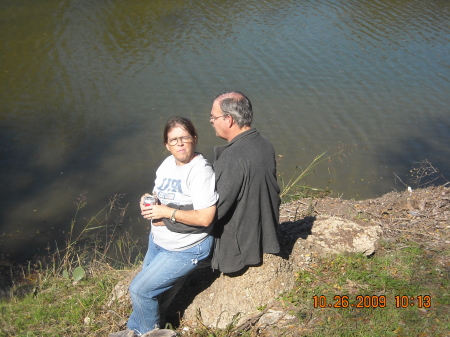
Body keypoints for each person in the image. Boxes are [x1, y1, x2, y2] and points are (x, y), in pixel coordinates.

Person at [110, 117, 218, 337]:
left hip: (187, 247)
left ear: (194, 139)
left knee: (140, 290)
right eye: (173, 140)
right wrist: (148, 200)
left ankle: (144, 333)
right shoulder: (167, 164)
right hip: (159, 240)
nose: (179, 144)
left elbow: (206, 218)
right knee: (155, 291)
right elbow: (159, 195)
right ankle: (137, 329)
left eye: (184, 138)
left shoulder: (200, 171)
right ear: (166, 145)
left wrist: (166, 212)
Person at [209, 91, 280, 274]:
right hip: (264, 236)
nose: (211, 121)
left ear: (229, 119)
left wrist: (172, 214)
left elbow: (215, 210)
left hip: (239, 250)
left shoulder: (232, 156)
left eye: (214, 116)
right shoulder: (264, 143)